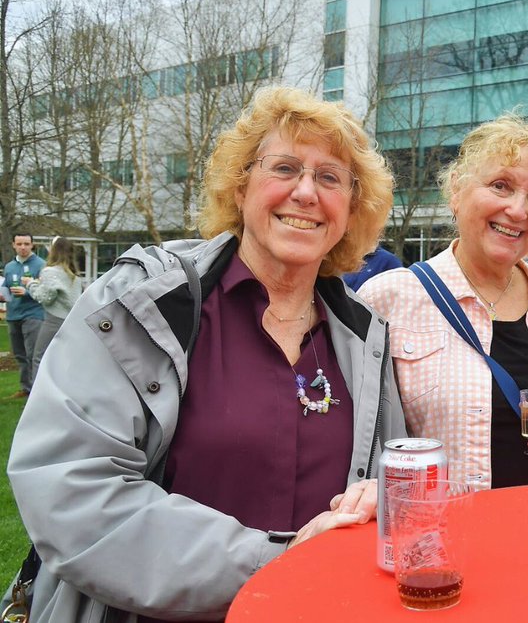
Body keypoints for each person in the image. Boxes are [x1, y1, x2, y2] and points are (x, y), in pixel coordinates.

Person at [7, 86, 404, 621]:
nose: (307, 193)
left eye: (330, 178)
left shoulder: (365, 335)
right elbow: (72, 487)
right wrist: (279, 562)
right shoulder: (141, 304)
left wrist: (378, 501)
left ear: (352, 209)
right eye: (284, 167)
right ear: (240, 189)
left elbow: (389, 479)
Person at [360, 115, 528, 489]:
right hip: (445, 538)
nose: (518, 211)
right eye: (501, 186)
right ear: (457, 188)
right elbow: (357, 443)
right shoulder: (389, 298)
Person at [27, 236, 83, 380]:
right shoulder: (74, 276)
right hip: (72, 321)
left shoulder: (50, 272)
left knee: (40, 357)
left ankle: (39, 398)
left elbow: (46, 297)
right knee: (64, 360)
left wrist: (31, 284)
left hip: (54, 320)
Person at [2, 233, 45, 396]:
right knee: (19, 354)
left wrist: (26, 292)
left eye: (26, 244)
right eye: (19, 244)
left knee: (33, 354)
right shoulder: (9, 267)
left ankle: (37, 390)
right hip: (13, 314)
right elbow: (5, 287)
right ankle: (25, 388)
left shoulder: (41, 265)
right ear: (13, 245)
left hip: (33, 314)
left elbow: (45, 291)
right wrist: (3, 295)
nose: (23, 247)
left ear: (32, 245)